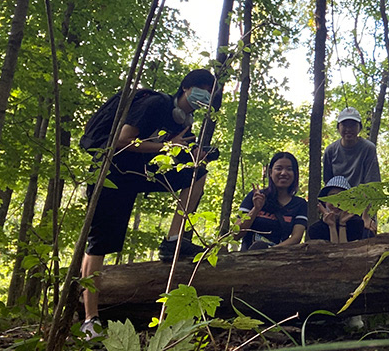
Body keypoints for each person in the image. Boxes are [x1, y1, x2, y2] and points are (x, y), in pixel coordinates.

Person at [80, 68, 217, 339]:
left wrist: (190, 153)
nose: (205, 97)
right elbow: (122, 140)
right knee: (100, 243)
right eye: (202, 89)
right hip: (112, 174)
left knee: (197, 172)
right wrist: (168, 145)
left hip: (141, 173)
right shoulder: (155, 104)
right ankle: (89, 319)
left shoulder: (184, 122)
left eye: (210, 94)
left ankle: (173, 239)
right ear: (186, 88)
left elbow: (165, 150)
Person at [322, 107, 381, 235]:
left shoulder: (368, 149)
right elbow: (328, 183)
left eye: (353, 125)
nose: (348, 129)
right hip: (337, 208)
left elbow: (372, 185)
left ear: (359, 127)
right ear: (338, 127)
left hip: (362, 206)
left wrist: (367, 216)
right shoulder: (330, 151)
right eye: (344, 125)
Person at [236, 152, 308, 250]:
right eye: (279, 168)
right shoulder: (255, 196)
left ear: (295, 174)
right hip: (247, 256)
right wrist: (256, 209)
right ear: (270, 173)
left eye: (289, 169)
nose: (283, 173)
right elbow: (236, 234)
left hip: (278, 258)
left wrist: (269, 251)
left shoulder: (300, 204)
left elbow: (296, 238)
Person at [308, 176, 365, 243]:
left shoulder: (357, 224)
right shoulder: (315, 229)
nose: (336, 203)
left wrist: (342, 224)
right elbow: (332, 251)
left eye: (342, 198)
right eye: (332, 197)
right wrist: (332, 226)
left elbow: (345, 251)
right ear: (324, 201)